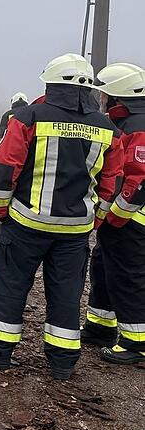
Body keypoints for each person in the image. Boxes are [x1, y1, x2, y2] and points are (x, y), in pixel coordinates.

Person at [0, 53, 123, 380]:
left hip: (26, 224)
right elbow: (112, 181)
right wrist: (95, 220)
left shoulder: (29, 116)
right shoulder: (107, 127)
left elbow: (4, 171)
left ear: (50, 83)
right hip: (76, 230)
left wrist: (0, 213)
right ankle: (62, 361)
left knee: (10, 285)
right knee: (66, 292)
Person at [81, 63, 145, 364]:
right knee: (104, 267)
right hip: (119, 219)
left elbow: (139, 180)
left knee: (128, 277)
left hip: (132, 220)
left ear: (119, 97)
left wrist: (116, 215)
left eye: (105, 94)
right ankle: (100, 326)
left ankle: (136, 343)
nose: (102, 100)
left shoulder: (138, 127)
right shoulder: (126, 123)